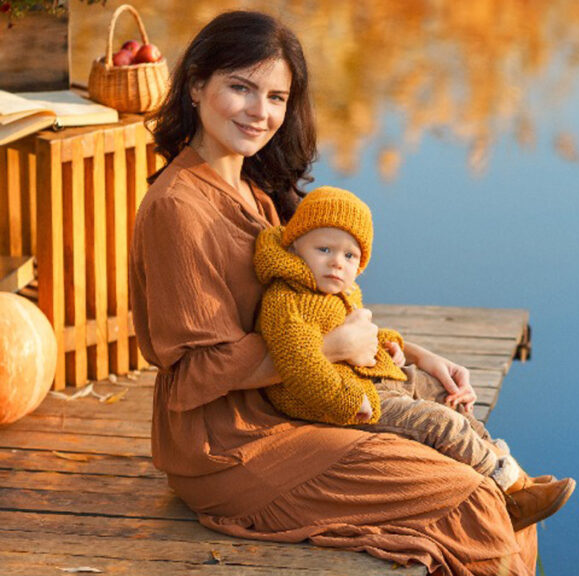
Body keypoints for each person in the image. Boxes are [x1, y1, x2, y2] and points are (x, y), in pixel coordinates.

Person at [129, 11, 545, 575]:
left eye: (276, 97)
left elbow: (305, 313)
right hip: (229, 446)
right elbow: (192, 378)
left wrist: (418, 354)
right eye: (241, 88)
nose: (260, 112)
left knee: (490, 483)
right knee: (475, 501)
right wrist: (329, 349)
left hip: (293, 407)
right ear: (197, 84)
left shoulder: (255, 193)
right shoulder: (179, 209)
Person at [252, 186, 576, 529]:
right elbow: (299, 362)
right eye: (324, 249)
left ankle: (512, 474)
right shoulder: (287, 299)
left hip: (368, 377)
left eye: (349, 256)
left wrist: (393, 345)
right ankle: (510, 500)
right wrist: (347, 401)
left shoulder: (336, 289)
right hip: (340, 400)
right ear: (294, 246)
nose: (337, 262)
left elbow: (360, 332)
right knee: (438, 423)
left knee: (442, 393)